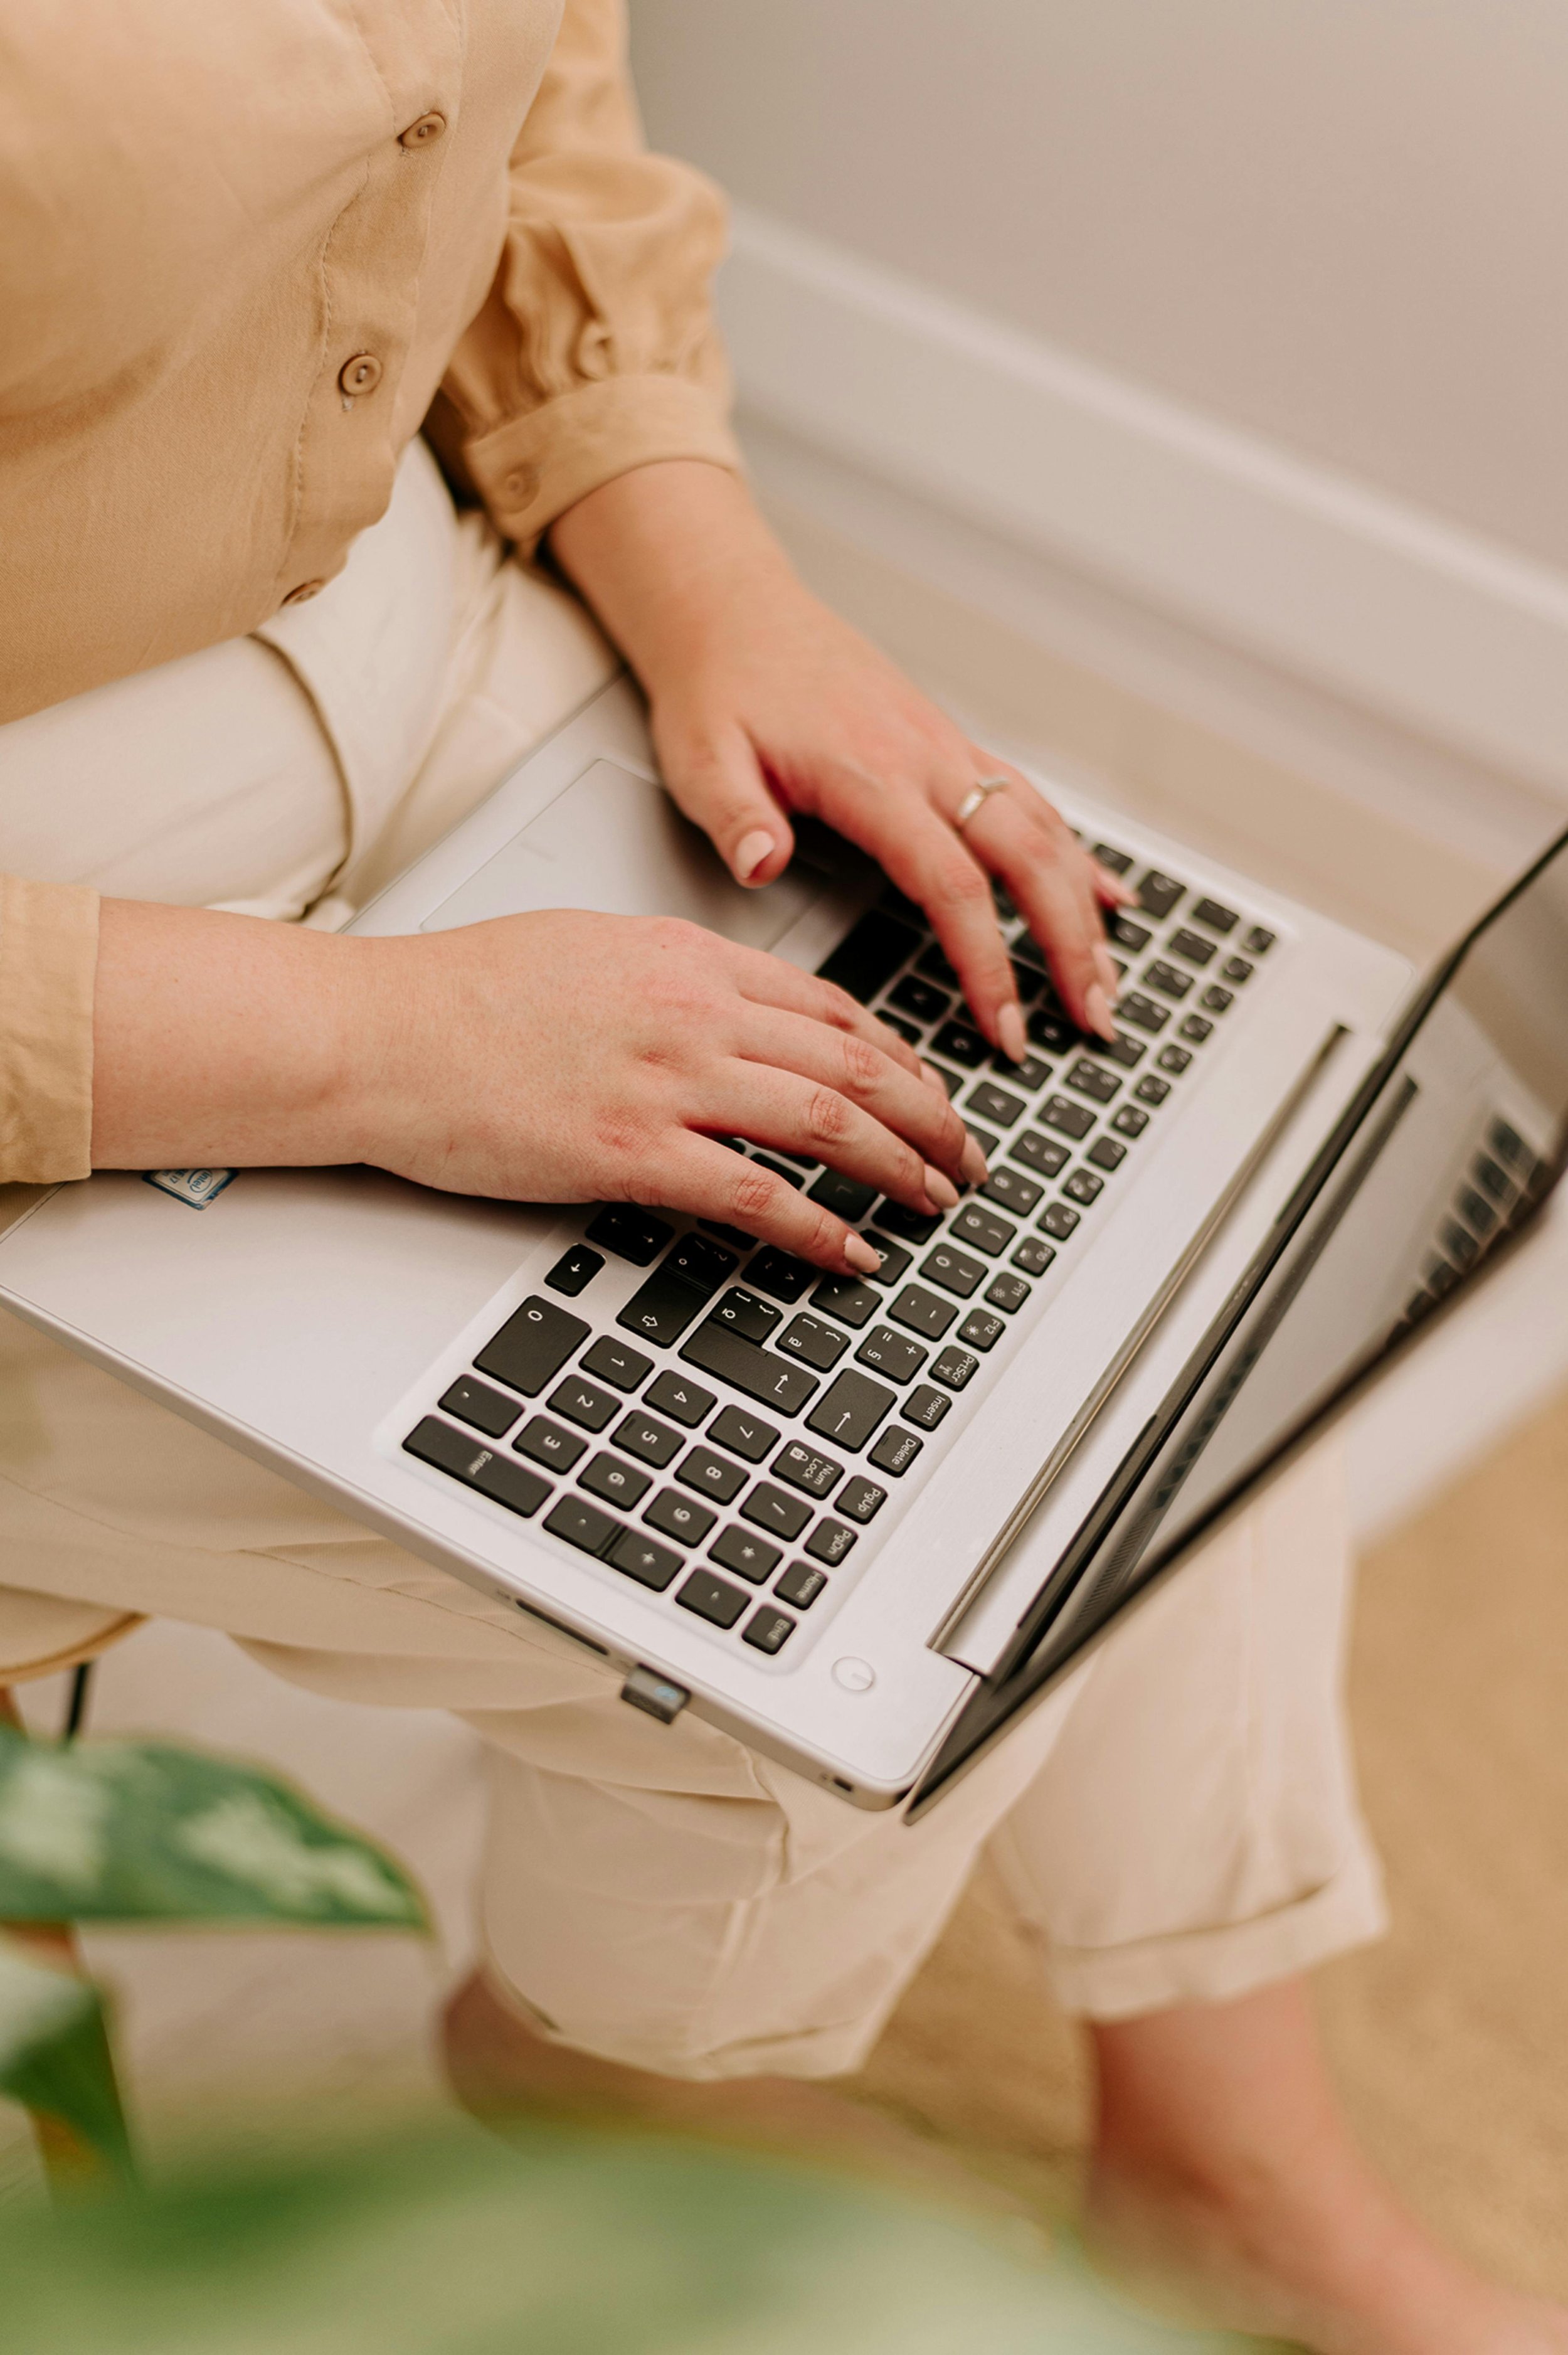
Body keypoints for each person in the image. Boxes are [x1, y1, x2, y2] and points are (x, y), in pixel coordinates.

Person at [0, 6, 1560, 2346]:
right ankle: (599, 2071)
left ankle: (1228, 2166)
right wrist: (375, 1048)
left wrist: (707, 562)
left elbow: (523, 108)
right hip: (69, 970)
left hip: (421, 649)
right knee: (779, 1624)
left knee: (1149, 1143)